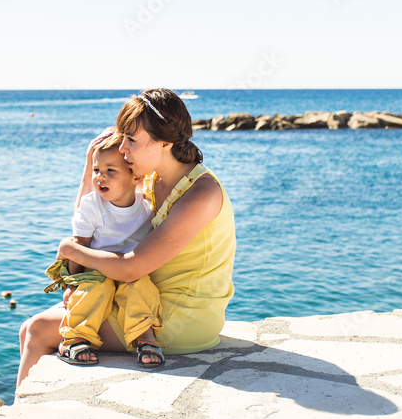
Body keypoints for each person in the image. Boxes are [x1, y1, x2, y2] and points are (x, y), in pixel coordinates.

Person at [17, 88, 237, 386]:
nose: (123, 149)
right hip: (140, 297)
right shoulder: (152, 179)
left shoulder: (200, 194)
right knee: (28, 328)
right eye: (123, 138)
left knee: (38, 329)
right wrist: (88, 169)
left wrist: (70, 251)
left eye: (131, 140)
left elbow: (133, 266)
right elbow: (90, 219)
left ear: (164, 143)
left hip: (180, 317)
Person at [47, 132, 164, 367]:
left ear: (135, 176)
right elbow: (79, 245)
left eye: (111, 171)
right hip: (95, 269)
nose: (100, 177)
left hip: (129, 270)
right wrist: (72, 285)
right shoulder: (92, 206)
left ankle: (144, 337)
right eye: (97, 170)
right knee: (94, 290)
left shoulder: (148, 208)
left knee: (141, 288)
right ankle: (76, 337)